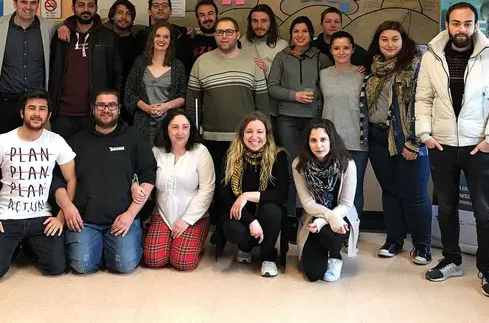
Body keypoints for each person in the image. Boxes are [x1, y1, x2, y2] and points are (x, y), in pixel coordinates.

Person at [415, 2, 489, 298]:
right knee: (446, 207)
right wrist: (425, 134)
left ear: (476, 25)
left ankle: (487, 268)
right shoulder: (432, 57)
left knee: (485, 212)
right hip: (442, 145)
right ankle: (452, 259)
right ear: (447, 24)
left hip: (479, 147)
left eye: (467, 23)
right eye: (456, 23)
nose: (461, 29)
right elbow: (423, 98)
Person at [0, 90, 82, 282]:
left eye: (42, 109)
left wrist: (60, 218)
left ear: (49, 115)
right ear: (22, 113)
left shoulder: (56, 141)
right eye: (31, 108)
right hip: (6, 217)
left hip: (41, 217)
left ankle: (27, 245)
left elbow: (72, 179)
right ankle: (17, 246)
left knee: (56, 268)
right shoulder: (3, 142)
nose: (37, 113)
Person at [54, 90, 157, 275]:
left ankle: (110, 246)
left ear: (119, 109)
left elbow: (148, 175)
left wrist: (130, 214)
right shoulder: (76, 142)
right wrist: (67, 207)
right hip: (85, 221)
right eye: (101, 105)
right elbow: (58, 179)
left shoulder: (134, 138)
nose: (106, 110)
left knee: (123, 266)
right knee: (82, 265)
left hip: (123, 219)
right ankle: (98, 247)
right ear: (93, 109)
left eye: (112, 105)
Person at [186, 17, 270, 222]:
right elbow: (192, 102)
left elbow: (262, 104)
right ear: (215, 35)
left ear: (237, 34)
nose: (224, 36)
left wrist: (264, 134)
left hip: (245, 140)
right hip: (211, 137)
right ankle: (220, 226)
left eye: (229, 32)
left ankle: (243, 225)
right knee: (214, 184)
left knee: (242, 184)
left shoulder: (252, 63)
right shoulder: (201, 62)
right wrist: (195, 130)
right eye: (220, 32)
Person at [361, 21, 432, 265]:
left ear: (403, 41)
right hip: (377, 138)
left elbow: (423, 106)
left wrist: (415, 142)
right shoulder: (372, 68)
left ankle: (423, 246)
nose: (389, 44)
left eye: (394, 39)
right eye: (384, 39)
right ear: (377, 42)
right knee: (390, 192)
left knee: (414, 195)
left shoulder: (416, 66)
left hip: (407, 140)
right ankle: (394, 240)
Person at [268, 16, 330, 240]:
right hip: (287, 119)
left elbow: (331, 83)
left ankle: (312, 215)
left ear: (311, 34)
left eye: (305, 31)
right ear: (291, 35)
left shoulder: (321, 58)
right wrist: (294, 96)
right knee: (293, 166)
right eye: (296, 31)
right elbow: (271, 87)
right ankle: (290, 215)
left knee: (313, 167)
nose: (300, 35)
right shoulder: (281, 57)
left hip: (313, 120)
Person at [214, 112, 289, 277]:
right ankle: (245, 247)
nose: (254, 137)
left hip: (266, 211)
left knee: (272, 211)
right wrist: (251, 220)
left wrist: (246, 196)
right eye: (249, 131)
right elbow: (224, 197)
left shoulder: (278, 155)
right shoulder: (231, 156)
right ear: (242, 134)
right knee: (232, 228)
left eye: (260, 132)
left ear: (267, 134)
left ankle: (268, 257)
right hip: (241, 214)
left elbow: (280, 195)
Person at [142, 109, 215, 271]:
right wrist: (135, 186)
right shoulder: (157, 152)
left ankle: (191, 243)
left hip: (193, 216)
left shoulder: (200, 152)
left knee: (182, 262)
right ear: (166, 130)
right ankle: (170, 242)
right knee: (154, 259)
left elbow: (207, 190)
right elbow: (143, 178)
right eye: (175, 127)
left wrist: (186, 220)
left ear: (191, 129)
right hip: (163, 214)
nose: (180, 132)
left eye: (185, 127)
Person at [0, 0, 61, 139]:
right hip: (5, 103)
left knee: (36, 151)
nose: (28, 7)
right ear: (15, 3)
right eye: (24, 2)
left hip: (36, 104)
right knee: (4, 152)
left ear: (38, 5)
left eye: (33, 3)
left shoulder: (49, 27)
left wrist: (65, 26)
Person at [48, 0, 123, 142]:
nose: (86, 9)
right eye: (81, 5)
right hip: (62, 113)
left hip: (95, 112)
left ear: (96, 8)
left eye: (90, 5)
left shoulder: (110, 38)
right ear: (73, 8)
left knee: (91, 161)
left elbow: (118, 77)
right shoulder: (60, 36)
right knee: (62, 161)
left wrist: (114, 106)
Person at [293, 119, 360, 282]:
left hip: (341, 216)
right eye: (313, 140)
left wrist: (325, 221)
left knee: (333, 233)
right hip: (313, 219)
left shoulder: (348, 164)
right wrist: (325, 219)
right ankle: (320, 252)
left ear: (332, 140)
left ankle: (335, 257)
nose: (319, 146)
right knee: (313, 274)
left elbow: (346, 204)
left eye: (323, 140)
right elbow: (308, 204)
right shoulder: (299, 164)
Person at [319, 31, 369, 220]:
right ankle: (332, 231)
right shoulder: (323, 74)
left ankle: (351, 231)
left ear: (353, 49)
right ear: (331, 50)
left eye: (346, 48)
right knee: (329, 187)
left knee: (354, 189)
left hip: (356, 139)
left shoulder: (362, 74)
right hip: (329, 141)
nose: (341, 52)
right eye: (337, 48)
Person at [124, 21, 187, 142]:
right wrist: (146, 108)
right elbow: (129, 92)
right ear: (152, 39)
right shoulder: (140, 62)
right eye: (158, 36)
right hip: (142, 124)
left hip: (169, 124)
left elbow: (183, 95)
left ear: (171, 40)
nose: (161, 40)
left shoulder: (178, 66)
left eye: (166, 37)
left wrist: (166, 106)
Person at [175, 0, 218, 74]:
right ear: (197, 19)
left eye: (210, 13)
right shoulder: (190, 41)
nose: (207, 18)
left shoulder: (226, 40)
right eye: (202, 15)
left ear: (217, 15)